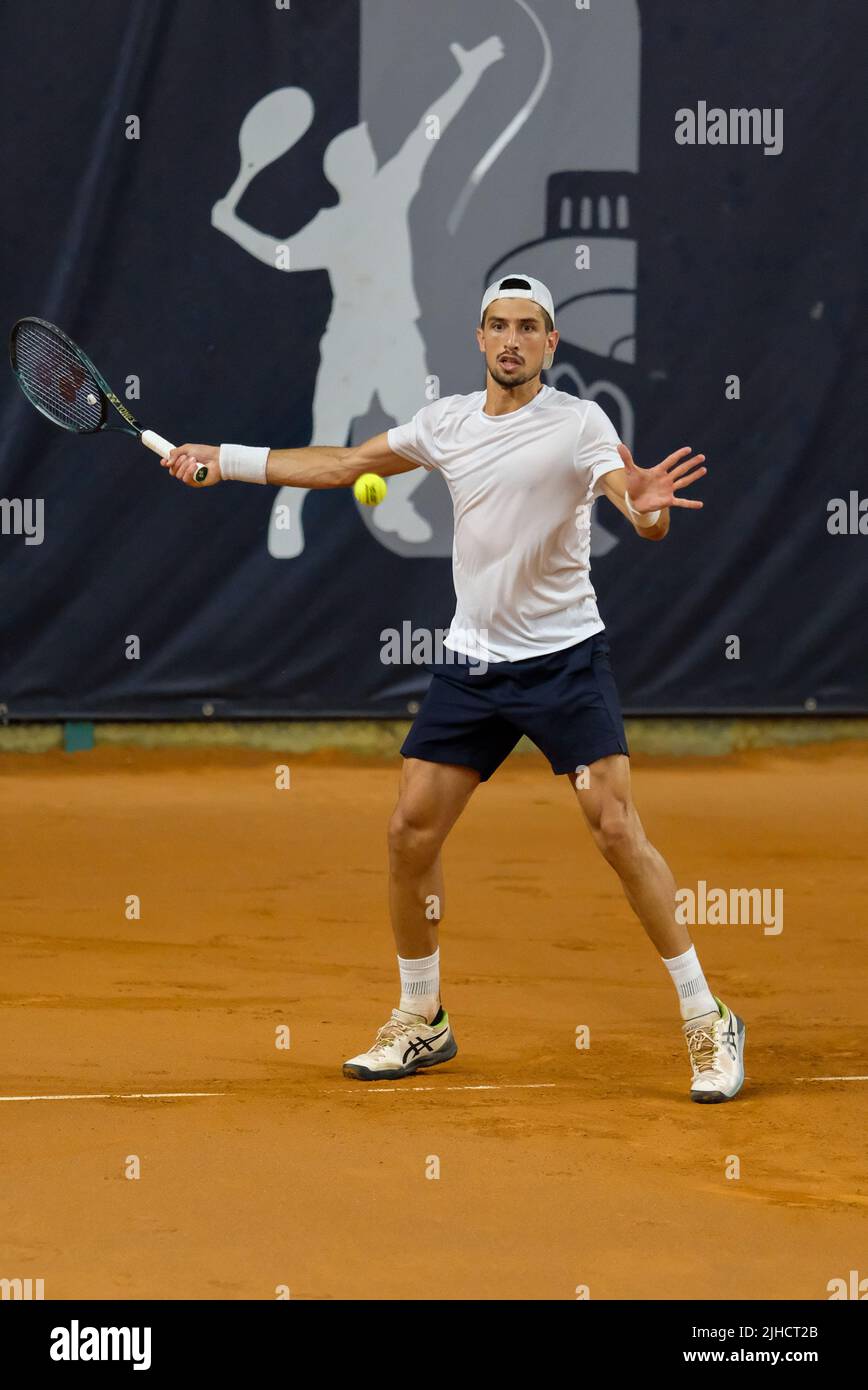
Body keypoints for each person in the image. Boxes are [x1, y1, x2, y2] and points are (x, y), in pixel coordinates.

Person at [163, 272, 746, 1104]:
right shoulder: (445, 423)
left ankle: (706, 1017)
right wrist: (227, 462)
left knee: (616, 828)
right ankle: (421, 1018)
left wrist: (648, 509)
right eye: (498, 325)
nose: (512, 339)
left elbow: (634, 505)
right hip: (473, 667)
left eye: (529, 327)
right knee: (408, 835)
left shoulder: (581, 424)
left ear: (551, 344)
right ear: (478, 339)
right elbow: (344, 465)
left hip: (563, 662)